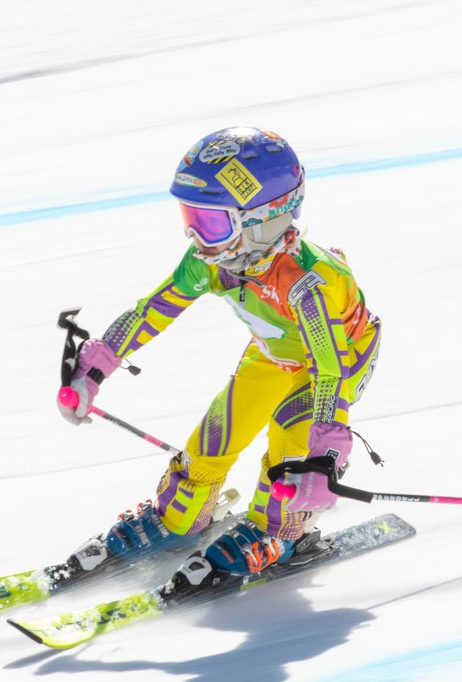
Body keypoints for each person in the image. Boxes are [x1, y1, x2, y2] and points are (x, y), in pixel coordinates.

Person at [57, 127, 380, 587]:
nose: (197, 237)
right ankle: (180, 516)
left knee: (290, 444)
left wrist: (325, 452)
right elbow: (156, 307)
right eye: (191, 217)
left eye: (211, 223)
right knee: (216, 434)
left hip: (333, 365)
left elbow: (332, 367)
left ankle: (284, 530)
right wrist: (96, 365)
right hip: (274, 354)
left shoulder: (308, 282)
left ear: (262, 219)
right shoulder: (213, 260)